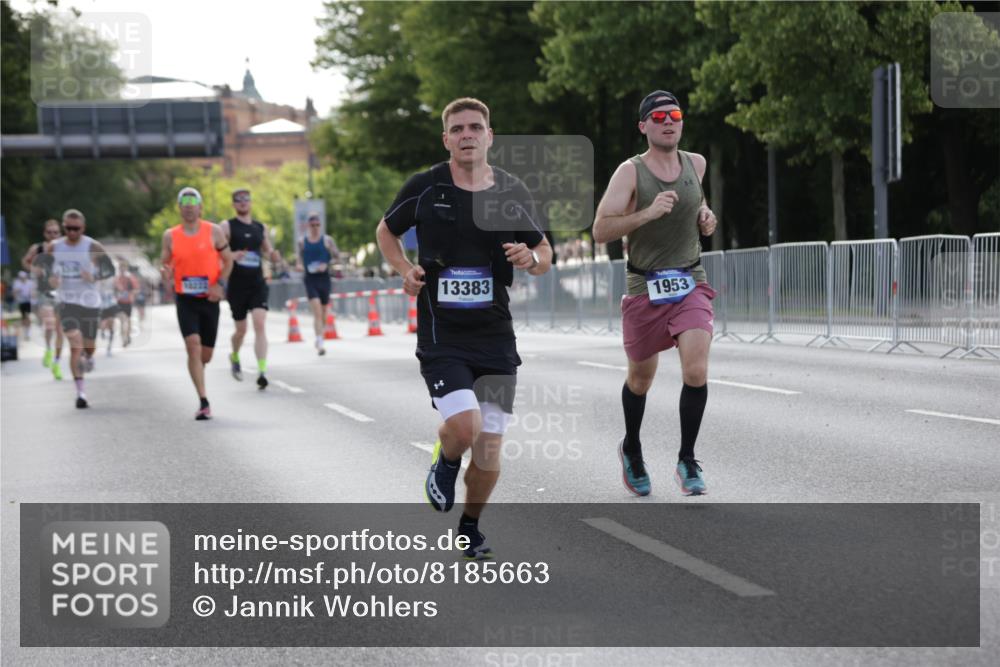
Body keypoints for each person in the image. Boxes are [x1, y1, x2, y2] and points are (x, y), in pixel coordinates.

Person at [375, 97, 552, 560]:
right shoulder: (426, 186)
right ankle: (446, 460)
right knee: (464, 425)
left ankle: (469, 526)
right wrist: (403, 269)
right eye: (458, 129)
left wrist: (530, 259)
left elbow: (544, 253)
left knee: (490, 449)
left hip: (495, 334)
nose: (467, 135)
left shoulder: (511, 191)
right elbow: (385, 231)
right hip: (443, 334)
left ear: (489, 136)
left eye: (475, 127)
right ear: (447, 139)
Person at [593, 90, 718, 497]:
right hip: (643, 285)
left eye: (676, 114)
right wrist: (646, 213)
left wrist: (706, 219)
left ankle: (687, 458)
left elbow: (699, 210)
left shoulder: (695, 164)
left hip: (689, 279)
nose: (669, 121)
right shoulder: (630, 173)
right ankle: (631, 447)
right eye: (659, 116)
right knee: (640, 380)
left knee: (695, 370)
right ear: (644, 126)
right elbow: (600, 230)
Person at [160, 187, 233, 420]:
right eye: (185, 204)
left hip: (210, 298)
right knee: (193, 344)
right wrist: (165, 272)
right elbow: (165, 264)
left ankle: (198, 369)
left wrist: (219, 284)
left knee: (205, 355)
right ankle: (203, 401)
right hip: (186, 299)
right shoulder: (170, 235)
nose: (190, 208)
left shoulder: (214, 231)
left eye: (193, 204)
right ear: (180, 208)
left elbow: (228, 260)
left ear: (200, 207)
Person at [45, 209, 116, 408]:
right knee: (75, 343)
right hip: (67, 302)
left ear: (83, 228)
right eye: (67, 228)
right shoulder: (54, 247)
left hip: (90, 301)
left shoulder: (92, 245)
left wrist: (94, 277)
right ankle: (81, 393)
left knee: (89, 346)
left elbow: (110, 269)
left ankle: (89, 356)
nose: (72, 232)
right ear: (63, 226)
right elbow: (47, 274)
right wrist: (51, 280)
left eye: (76, 229)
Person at [221, 188, 280, 389]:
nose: (243, 202)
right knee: (241, 331)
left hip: (257, 283)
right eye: (238, 199)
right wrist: (232, 254)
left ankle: (262, 371)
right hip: (237, 285)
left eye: (246, 198)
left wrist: (274, 256)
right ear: (234, 204)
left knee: (259, 323)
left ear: (251, 202)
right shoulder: (227, 226)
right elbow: (217, 250)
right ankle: (235, 355)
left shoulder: (259, 227)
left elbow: (268, 250)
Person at [22, 219, 64, 376]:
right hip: (43, 291)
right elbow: (25, 262)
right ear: (44, 233)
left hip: (62, 292)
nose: (52, 235)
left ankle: (57, 363)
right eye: (50, 232)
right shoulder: (38, 248)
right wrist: (34, 269)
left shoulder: (65, 248)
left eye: (56, 232)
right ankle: (48, 349)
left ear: (60, 233)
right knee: (50, 325)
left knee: (60, 330)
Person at [295, 213, 340, 355]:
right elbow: (298, 260)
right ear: (308, 226)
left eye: (317, 225)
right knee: (317, 312)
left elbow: (337, 258)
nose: (315, 228)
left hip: (324, 278)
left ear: (320, 225)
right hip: (310, 279)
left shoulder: (327, 240)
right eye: (312, 225)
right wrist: (299, 266)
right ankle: (320, 341)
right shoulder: (302, 242)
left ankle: (320, 336)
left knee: (324, 311)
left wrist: (327, 264)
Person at [113, 260, 139, 347]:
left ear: (126, 268)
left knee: (127, 321)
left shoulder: (130, 278)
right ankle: (124, 339)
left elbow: (136, 289)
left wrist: (130, 293)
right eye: (121, 268)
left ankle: (127, 336)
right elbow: (113, 290)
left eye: (124, 267)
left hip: (128, 302)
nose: (122, 269)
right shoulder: (116, 278)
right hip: (119, 302)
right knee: (122, 320)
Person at [13, 271, 33, 340]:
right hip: (21, 302)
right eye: (21, 277)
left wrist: (31, 294)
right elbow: (14, 292)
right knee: (24, 317)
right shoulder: (17, 283)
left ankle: (28, 333)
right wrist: (18, 291)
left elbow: (33, 291)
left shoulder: (30, 282)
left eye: (24, 277)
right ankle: (25, 332)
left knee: (27, 316)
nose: (23, 278)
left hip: (28, 301)